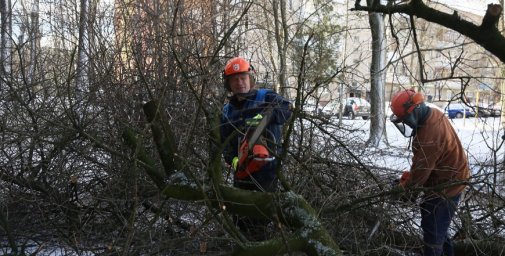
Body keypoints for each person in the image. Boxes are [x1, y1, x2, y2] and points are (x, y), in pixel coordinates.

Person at [389, 89, 470, 256]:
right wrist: (407, 181)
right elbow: (422, 167)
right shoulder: (432, 113)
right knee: (437, 228)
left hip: (447, 186)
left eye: (406, 119)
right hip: (443, 179)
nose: (407, 123)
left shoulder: (429, 137)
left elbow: (420, 174)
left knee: (433, 236)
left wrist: (406, 192)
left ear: (415, 110)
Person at [220, 56, 292, 240]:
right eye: (234, 79)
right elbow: (225, 142)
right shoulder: (228, 111)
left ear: (250, 78)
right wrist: (232, 159)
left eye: (243, 77)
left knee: (261, 219)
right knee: (241, 216)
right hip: (242, 172)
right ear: (229, 84)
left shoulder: (266, 97)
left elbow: (286, 110)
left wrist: (267, 116)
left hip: (267, 171)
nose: (240, 82)